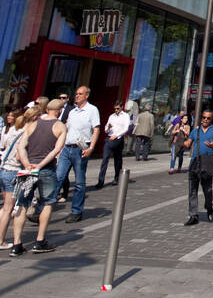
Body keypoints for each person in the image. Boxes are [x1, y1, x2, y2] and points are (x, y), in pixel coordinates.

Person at [10, 99, 67, 255]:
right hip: (46, 170)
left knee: (22, 204)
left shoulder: (32, 124)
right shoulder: (60, 126)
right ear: (60, 111)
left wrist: (27, 163)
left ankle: (16, 244)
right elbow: (56, 150)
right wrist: (41, 165)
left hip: (27, 170)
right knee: (48, 203)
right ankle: (40, 241)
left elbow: (21, 146)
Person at [53, 85, 100, 224]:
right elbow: (66, 130)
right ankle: (43, 208)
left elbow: (96, 129)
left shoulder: (92, 110)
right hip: (67, 148)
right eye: (76, 94)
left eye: (80, 94)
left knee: (79, 182)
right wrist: (59, 148)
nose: (77, 96)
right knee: (58, 178)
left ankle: (76, 211)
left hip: (81, 149)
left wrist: (91, 147)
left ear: (87, 95)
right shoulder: (72, 112)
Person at [183, 110, 213, 225]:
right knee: (192, 190)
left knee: (207, 189)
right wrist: (183, 140)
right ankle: (193, 215)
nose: (205, 120)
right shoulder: (195, 130)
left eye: (208, 118)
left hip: (207, 163)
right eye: (203, 117)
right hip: (194, 163)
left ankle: (209, 207)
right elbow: (188, 143)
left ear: (211, 119)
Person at [0, 108, 32, 247]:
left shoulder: (12, 130)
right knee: (8, 208)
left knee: (5, 207)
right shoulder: (25, 133)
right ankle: (0, 240)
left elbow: (4, 146)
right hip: (14, 171)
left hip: (4, 169)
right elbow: (19, 155)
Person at [96, 102, 129, 188]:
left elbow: (126, 129)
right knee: (105, 159)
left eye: (118, 108)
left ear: (122, 107)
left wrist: (117, 135)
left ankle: (117, 177)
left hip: (118, 139)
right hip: (109, 139)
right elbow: (106, 130)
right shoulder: (112, 116)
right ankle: (101, 181)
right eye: (115, 109)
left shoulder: (125, 116)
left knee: (117, 160)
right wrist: (108, 128)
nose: (116, 111)